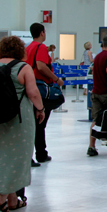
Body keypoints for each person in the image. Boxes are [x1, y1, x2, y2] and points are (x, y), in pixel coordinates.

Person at [0, 36, 45, 212]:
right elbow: (33, 93)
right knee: (20, 156)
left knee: (3, 156)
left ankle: (13, 200)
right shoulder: (23, 67)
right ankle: (2, 195)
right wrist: (41, 109)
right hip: (19, 118)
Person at [26, 23, 63, 165]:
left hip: (30, 87)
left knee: (34, 123)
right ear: (42, 33)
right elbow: (41, 65)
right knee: (40, 123)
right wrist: (56, 79)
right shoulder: (40, 47)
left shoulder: (28, 48)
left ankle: (38, 152)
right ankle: (40, 153)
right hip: (41, 88)